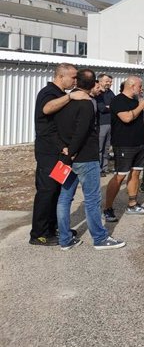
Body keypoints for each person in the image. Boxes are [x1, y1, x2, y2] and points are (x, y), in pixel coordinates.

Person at [55, 68, 125, 250]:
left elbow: (58, 127)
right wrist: (72, 151)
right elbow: (82, 131)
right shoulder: (87, 103)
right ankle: (100, 238)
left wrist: (66, 151)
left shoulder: (64, 100)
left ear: (77, 82)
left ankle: (64, 239)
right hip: (84, 157)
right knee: (92, 199)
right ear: (94, 83)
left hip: (66, 157)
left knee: (64, 198)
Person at [30, 63, 88, 246]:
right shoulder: (48, 93)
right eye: (72, 77)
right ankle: (38, 234)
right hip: (48, 152)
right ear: (61, 76)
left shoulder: (62, 94)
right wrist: (70, 96)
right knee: (46, 192)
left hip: (59, 152)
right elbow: (46, 110)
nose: (75, 80)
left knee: (56, 191)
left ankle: (52, 228)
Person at [102, 76, 144, 222]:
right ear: (131, 85)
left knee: (135, 174)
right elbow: (127, 118)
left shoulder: (136, 100)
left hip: (140, 143)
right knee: (120, 176)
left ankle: (132, 204)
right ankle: (108, 208)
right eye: (140, 86)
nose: (141, 89)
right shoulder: (118, 100)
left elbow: (141, 120)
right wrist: (141, 106)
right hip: (124, 144)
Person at [95, 74, 115, 175]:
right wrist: (110, 107)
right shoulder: (98, 94)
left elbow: (116, 105)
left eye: (110, 81)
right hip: (101, 123)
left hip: (110, 123)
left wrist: (109, 107)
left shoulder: (110, 93)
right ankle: (98, 169)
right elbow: (101, 108)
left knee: (107, 147)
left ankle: (105, 167)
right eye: (107, 81)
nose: (109, 83)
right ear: (100, 81)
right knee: (99, 147)